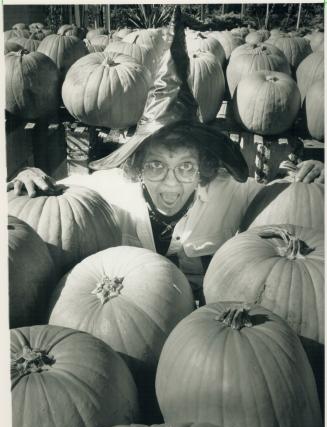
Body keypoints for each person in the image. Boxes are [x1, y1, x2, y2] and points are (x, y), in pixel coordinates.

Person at [7, 7, 324, 302]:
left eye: (185, 167)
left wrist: (314, 175)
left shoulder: (231, 193)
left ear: (204, 166)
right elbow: (51, 207)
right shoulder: (108, 193)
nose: (170, 182)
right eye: (157, 165)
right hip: (126, 317)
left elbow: (289, 202)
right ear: (137, 164)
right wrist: (26, 178)